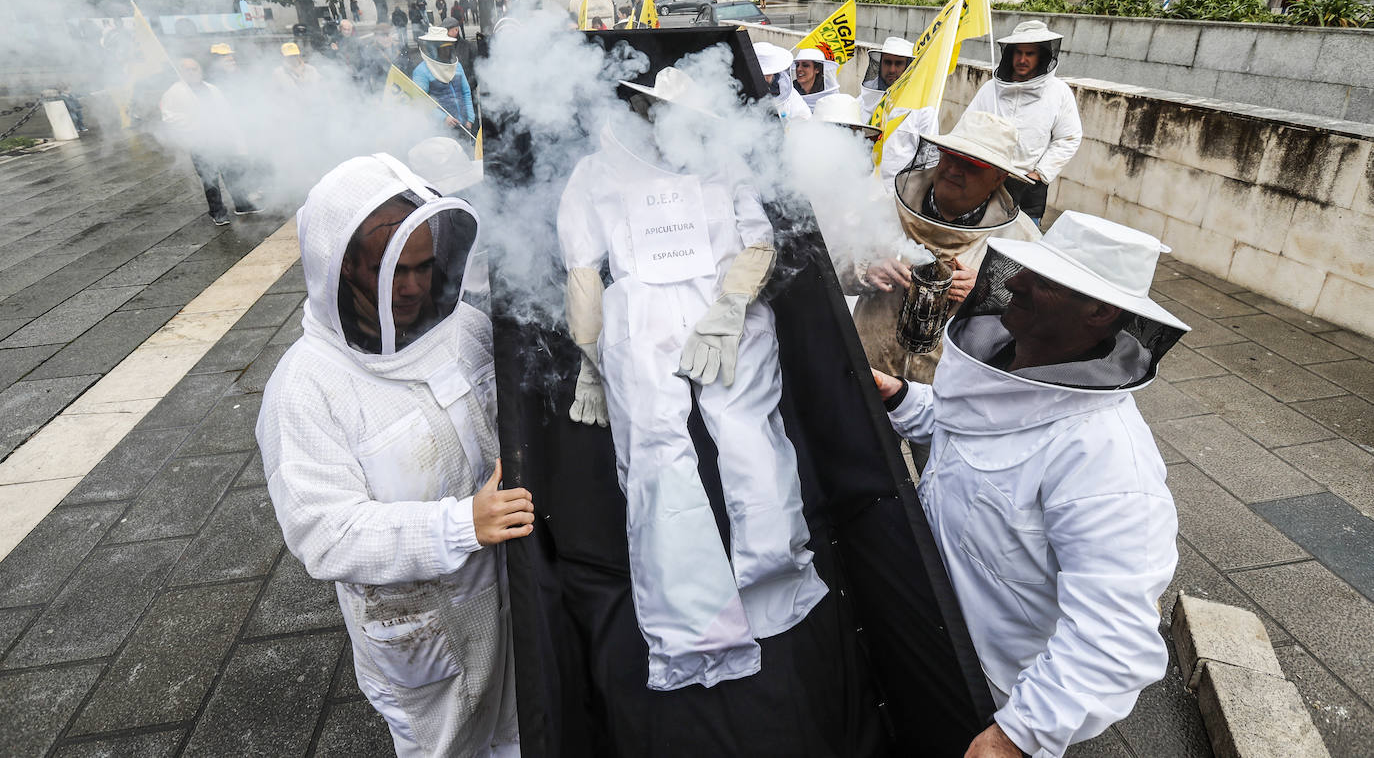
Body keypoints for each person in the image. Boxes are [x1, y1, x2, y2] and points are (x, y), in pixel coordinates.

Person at [871, 210, 1186, 758]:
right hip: (923, 619)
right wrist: (899, 396)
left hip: (985, 690)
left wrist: (1015, 737)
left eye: (1041, 282)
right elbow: (966, 432)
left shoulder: (1108, 460)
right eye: (1023, 270)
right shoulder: (1005, 362)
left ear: (1101, 311)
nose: (1013, 282)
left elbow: (1115, 637)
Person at [559, 67, 827, 691]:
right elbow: (582, 267)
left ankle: (773, 590)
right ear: (642, 111)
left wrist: (731, 306)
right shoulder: (597, 168)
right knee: (657, 454)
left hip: (724, 305)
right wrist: (591, 357)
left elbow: (756, 242)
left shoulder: (721, 159)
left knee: (749, 437)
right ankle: (690, 629)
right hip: (640, 313)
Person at [257, 154, 528, 757]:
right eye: (388, 271)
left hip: (507, 593)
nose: (410, 287)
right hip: (419, 625)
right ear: (340, 265)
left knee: (518, 736)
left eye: (424, 267)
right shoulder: (305, 387)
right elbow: (323, 531)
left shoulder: (464, 330)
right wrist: (460, 524)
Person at [843, 110, 1040, 382]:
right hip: (867, 369)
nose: (954, 169)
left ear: (998, 177)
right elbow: (834, 270)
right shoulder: (887, 209)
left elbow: (1040, 324)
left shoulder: (1020, 240)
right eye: (951, 156)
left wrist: (990, 295)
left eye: (973, 165)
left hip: (945, 392)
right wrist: (864, 267)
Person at [967, 20, 1082, 225]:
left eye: (1030, 54)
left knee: (1019, 250)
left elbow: (1069, 137)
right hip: (984, 183)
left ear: (1041, 56)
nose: (1022, 59)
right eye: (1018, 52)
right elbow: (968, 127)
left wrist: (1040, 173)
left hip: (1027, 190)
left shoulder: (1059, 92)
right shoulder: (990, 89)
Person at [159, 57, 262, 225]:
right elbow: (170, 118)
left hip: (220, 138)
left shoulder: (211, 89)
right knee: (210, 178)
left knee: (232, 172)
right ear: (181, 73)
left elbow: (226, 112)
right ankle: (217, 211)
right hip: (200, 142)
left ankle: (242, 204)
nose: (193, 73)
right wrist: (196, 122)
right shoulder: (175, 92)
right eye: (188, 70)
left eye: (195, 69)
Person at [857, 37, 939, 183]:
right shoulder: (863, 100)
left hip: (895, 195)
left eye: (898, 63)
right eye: (887, 62)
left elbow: (929, 162)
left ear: (908, 66)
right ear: (880, 63)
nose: (892, 69)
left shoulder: (924, 110)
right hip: (861, 189)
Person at [413, 25, 475, 131]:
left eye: (448, 47)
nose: (447, 52)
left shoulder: (457, 66)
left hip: (464, 124)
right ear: (432, 49)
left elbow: (466, 92)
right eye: (443, 48)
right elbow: (420, 100)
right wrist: (442, 118)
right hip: (440, 128)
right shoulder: (421, 71)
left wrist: (470, 118)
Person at [752, 41, 811, 121]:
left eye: (769, 75)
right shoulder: (741, 88)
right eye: (762, 75)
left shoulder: (784, 88)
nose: (765, 79)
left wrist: (796, 123)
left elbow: (804, 115)